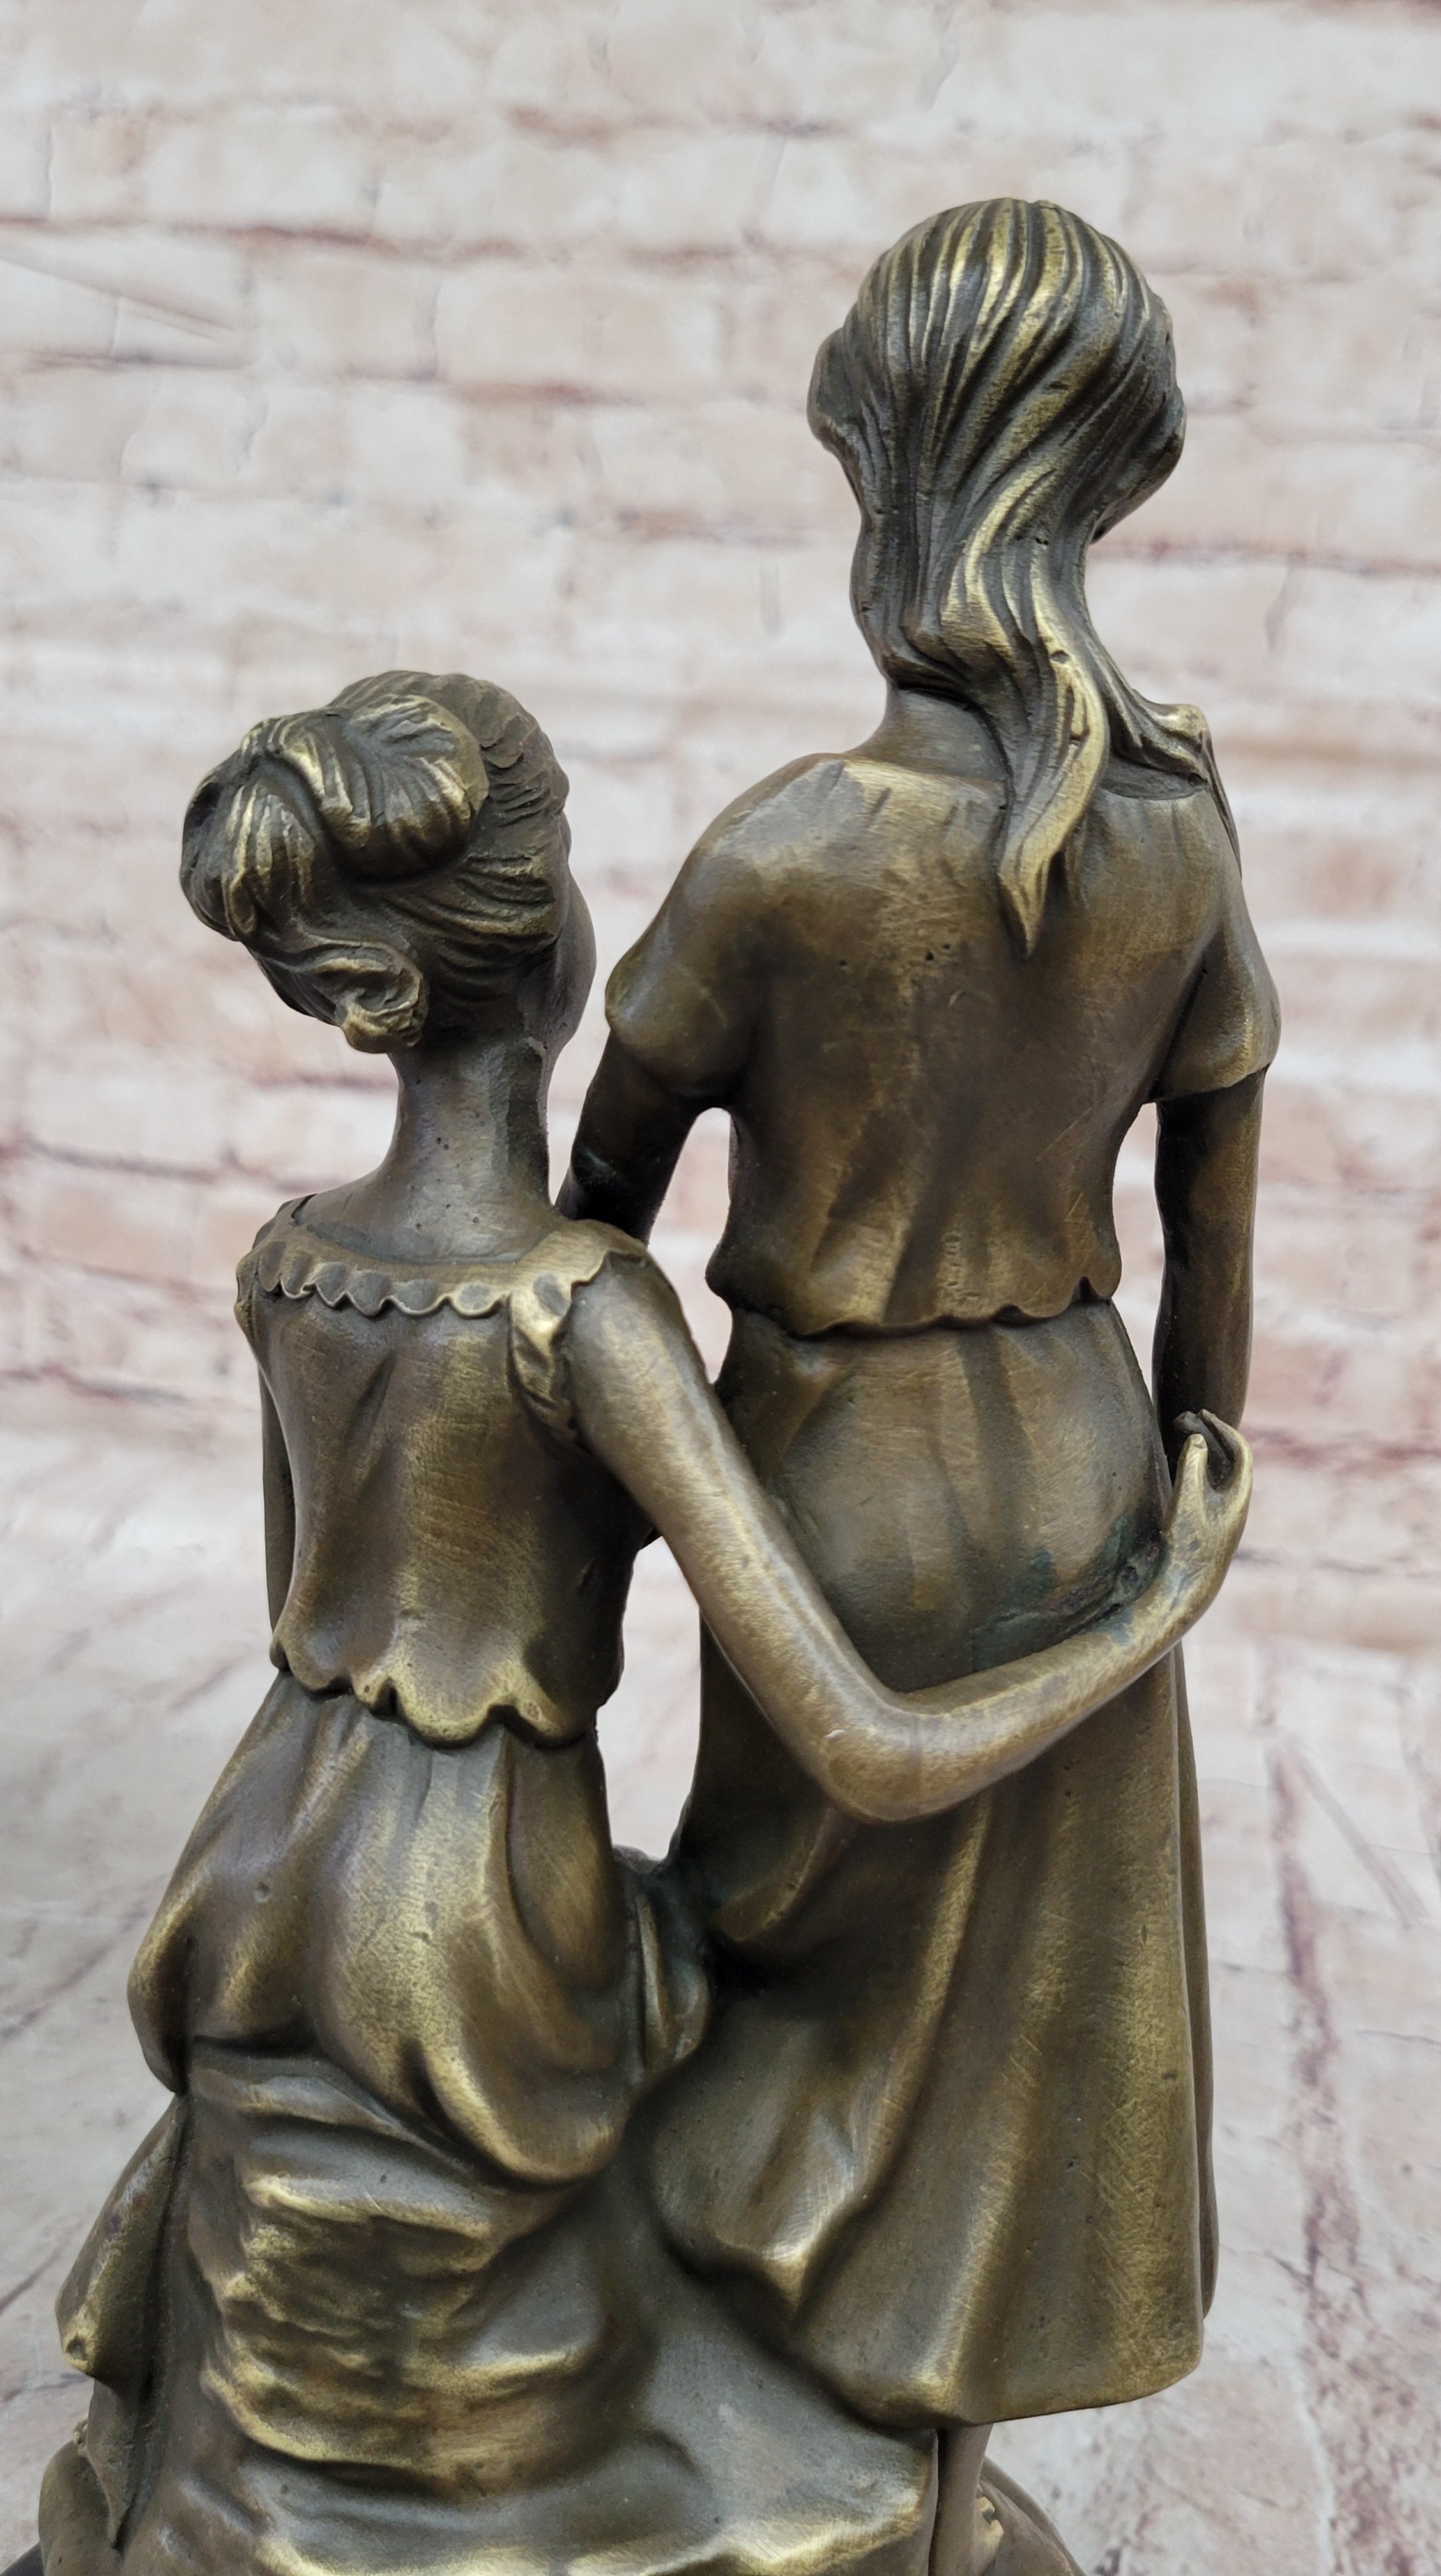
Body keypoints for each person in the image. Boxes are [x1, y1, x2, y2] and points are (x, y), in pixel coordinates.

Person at [38, 669, 1249, 2576]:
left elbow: (303, 1620)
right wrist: (1149, 1612)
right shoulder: (582, 1311)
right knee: (773, 2028)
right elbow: (870, 1750)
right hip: (489, 1922)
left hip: (265, 1872)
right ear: (553, 945)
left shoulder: (289, 1266)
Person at [561, 201, 1281, 2576]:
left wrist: (611, 1494)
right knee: (1025, 2026)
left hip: (831, 1467)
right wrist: (1190, 1485)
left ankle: (780, 2419)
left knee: (806, 1954)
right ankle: (918, 2464)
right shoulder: (1176, 839)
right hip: (1079, 1461)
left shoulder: (787, 854)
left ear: (892, 470)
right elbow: (1216, 1219)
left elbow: (597, 1207)